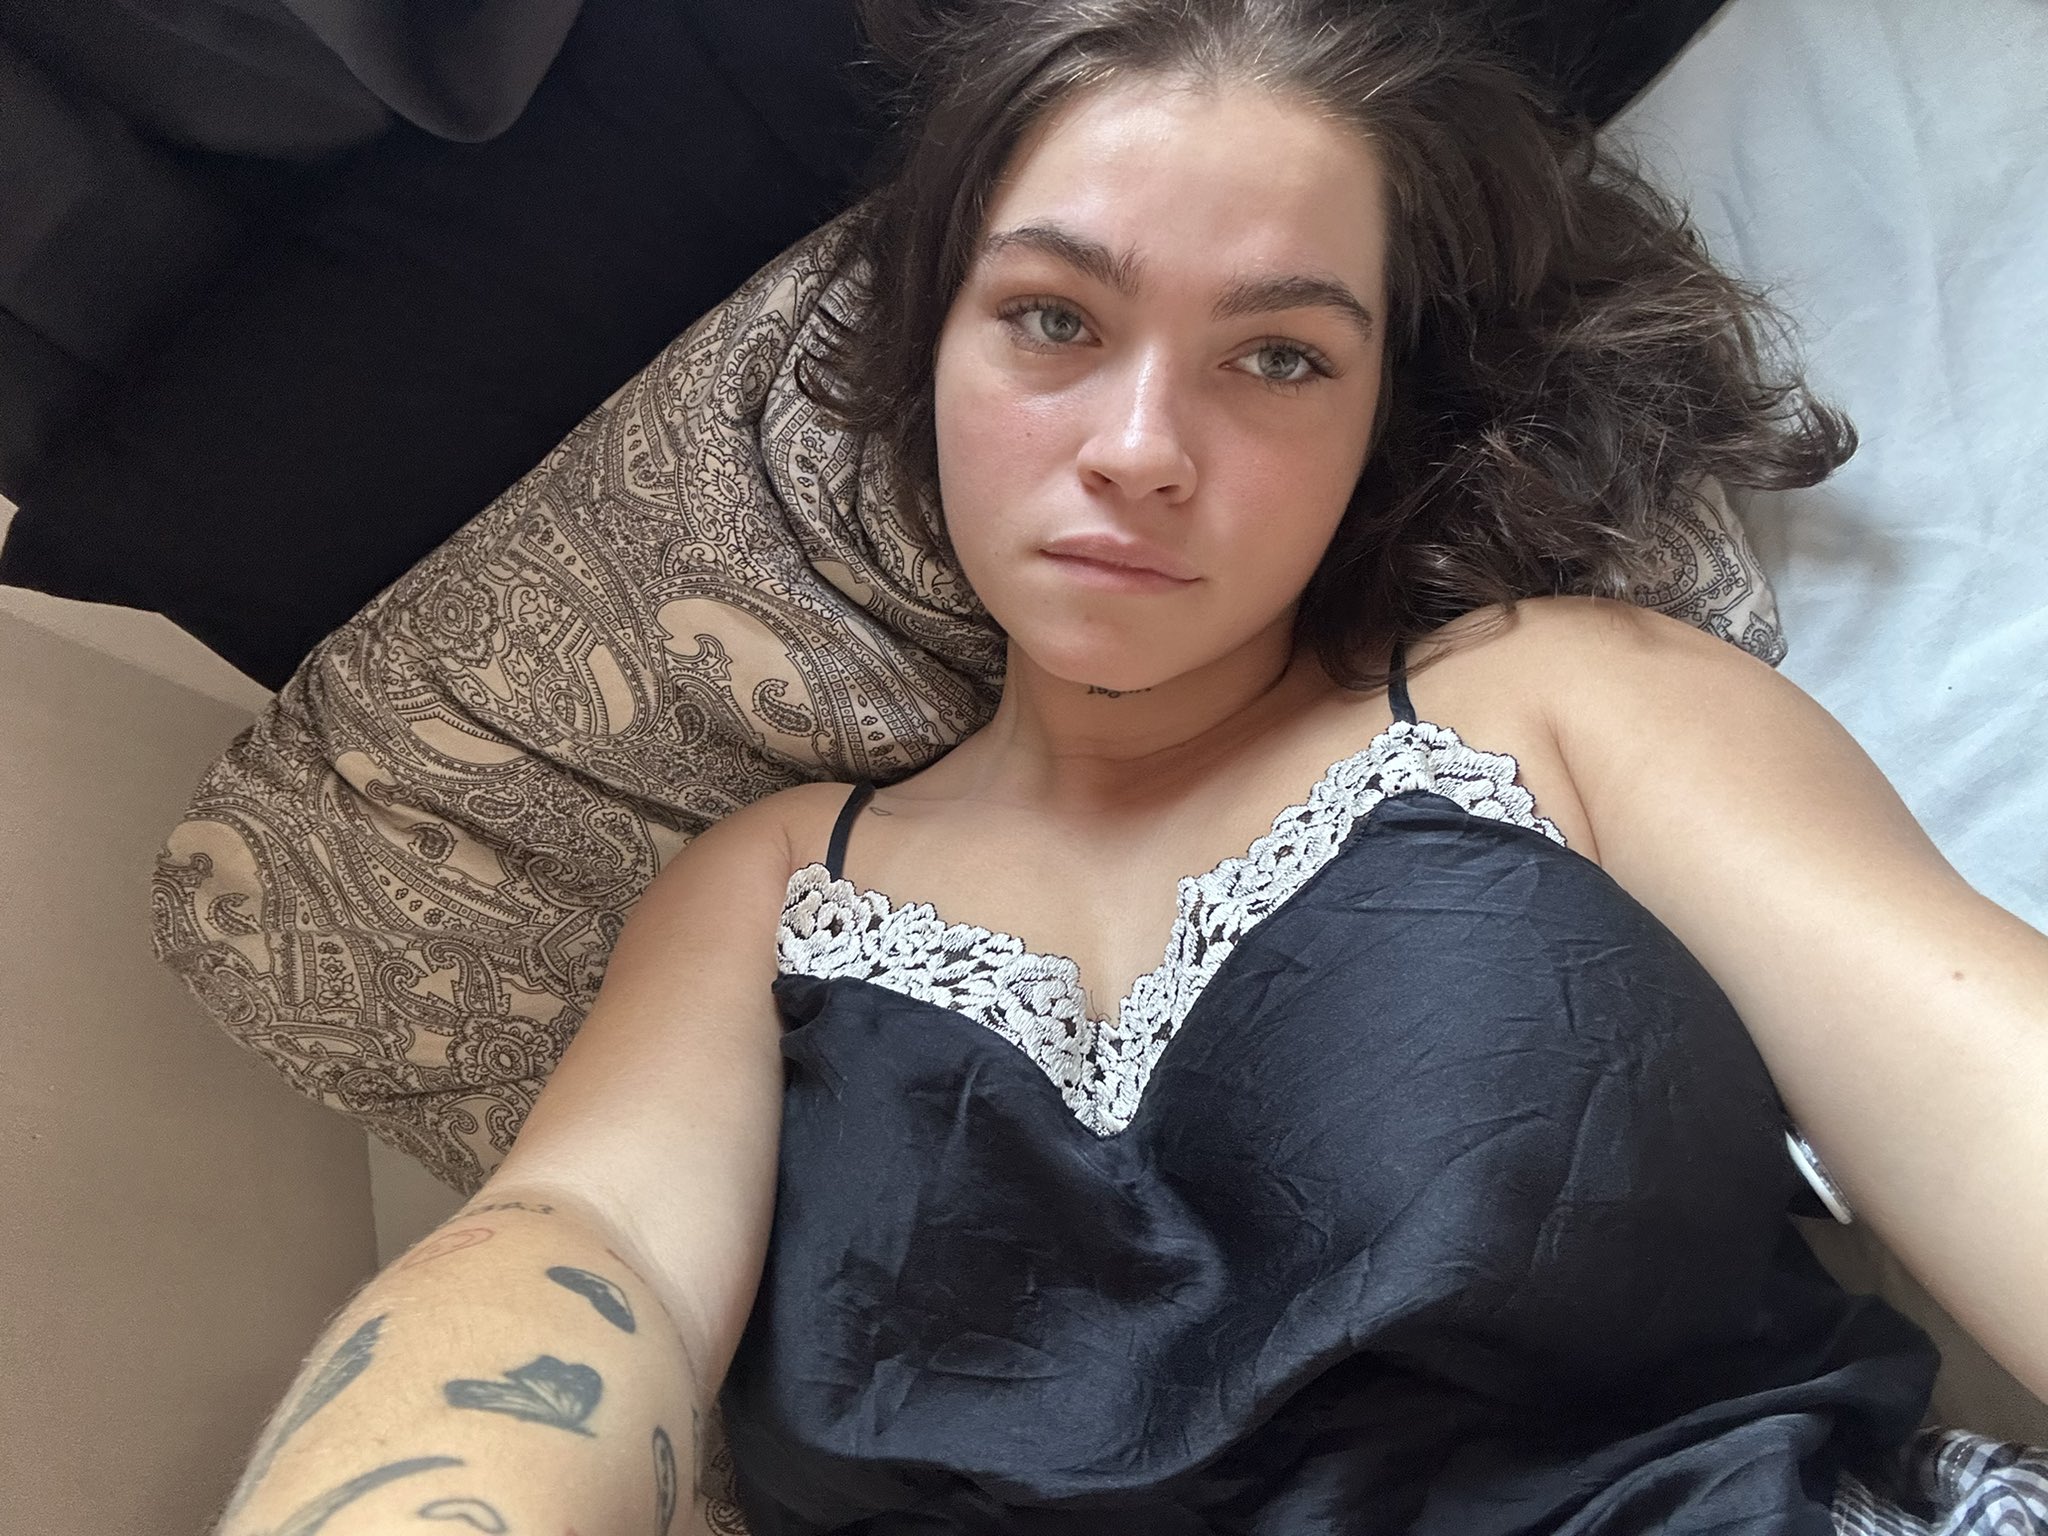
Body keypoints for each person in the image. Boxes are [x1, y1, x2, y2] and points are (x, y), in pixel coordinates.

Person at [210, 1, 2048, 1532]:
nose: (1145, 446)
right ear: (928, 349)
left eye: (1280, 356)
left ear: (1379, 417)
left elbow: (1991, 1091)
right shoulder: (767, 888)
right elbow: (582, 1239)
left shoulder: (1571, 701)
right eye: (1056, 319)